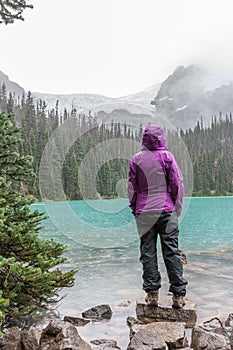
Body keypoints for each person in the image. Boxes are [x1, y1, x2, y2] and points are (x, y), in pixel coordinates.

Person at [127, 124, 187, 309]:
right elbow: (176, 183)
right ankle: (178, 296)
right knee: (171, 251)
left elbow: (132, 187)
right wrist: (176, 207)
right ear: (162, 138)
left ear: (144, 138)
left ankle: (152, 294)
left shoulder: (136, 159)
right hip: (166, 210)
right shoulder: (167, 157)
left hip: (144, 211)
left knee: (147, 251)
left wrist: (134, 206)